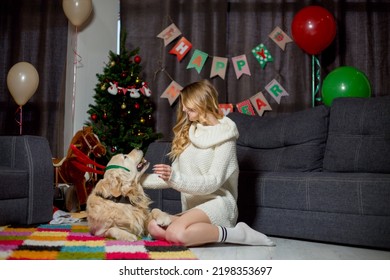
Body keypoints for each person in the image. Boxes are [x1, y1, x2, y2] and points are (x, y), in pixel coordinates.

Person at [141, 79, 274, 247]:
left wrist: (174, 177)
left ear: (202, 102)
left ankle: (236, 233)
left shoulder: (226, 137)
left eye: (187, 104)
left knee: (176, 234)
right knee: (153, 227)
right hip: (195, 209)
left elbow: (212, 182)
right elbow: (169, 178)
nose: (183, 109)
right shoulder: (190, 132)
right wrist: (137, 180)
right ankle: (188, 230)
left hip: (218, 204)